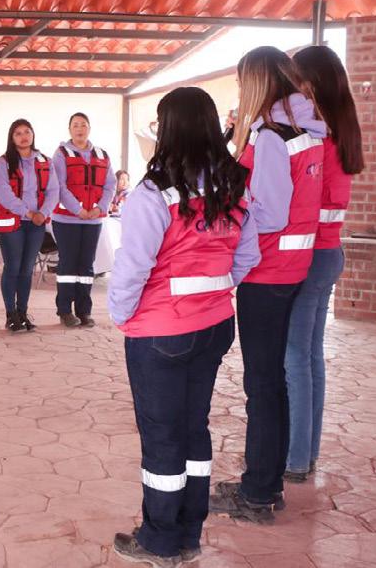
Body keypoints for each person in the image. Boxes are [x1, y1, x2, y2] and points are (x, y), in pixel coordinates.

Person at [108, 87, 259, 567]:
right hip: (214, 325)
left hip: (161, 332)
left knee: (161, 436)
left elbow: (132, 267)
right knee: (194, 428)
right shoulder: (233, 186)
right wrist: (212, 290)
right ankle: (189, 533)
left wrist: (121, 314)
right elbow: (247, 256)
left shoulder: (154, 194)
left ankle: (159, 540)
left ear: (169, 129)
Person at [209, 46, 326, 525]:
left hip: (267, 270)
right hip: (292, 267)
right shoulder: (307, 130)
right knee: (272, 381)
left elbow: (271, 214)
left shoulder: (273, 137)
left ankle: (257, 492)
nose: (241, 91)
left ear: (257, 81)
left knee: (262, 384)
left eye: (242, 81)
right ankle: (266, 482)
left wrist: (231, 205)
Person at [283, 46, 363, 483]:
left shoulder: (317, 136)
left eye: (294, 80)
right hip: (329, 253)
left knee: (295, 357)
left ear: (310, 83)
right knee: (310, 356)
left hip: (309, 254)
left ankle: (295, 458)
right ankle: (305, 453)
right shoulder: (343, 130)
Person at [0, 119, 59, 332]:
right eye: (18, 133)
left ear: (33, 134)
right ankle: (11, 314)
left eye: (27, 132)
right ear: (12, 138)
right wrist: (28, 212)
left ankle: (22, 312)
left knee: (27, 269)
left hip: (36, 222)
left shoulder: (45, 161)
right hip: (13, 221)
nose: (23, 136)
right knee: (13, 267)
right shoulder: (3, 162)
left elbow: (53, 191)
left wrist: (43, 213)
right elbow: (3, 193)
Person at [51, 112, 116, 328]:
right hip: (66, 220)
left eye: (83, 125)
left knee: (87, 266)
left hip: (93, 221)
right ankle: (65, 311)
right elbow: (59, 186)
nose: (80, 129)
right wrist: (77, 209)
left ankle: (84, 310)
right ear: (69, 129)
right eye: (75, 125)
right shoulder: (61, 154)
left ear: (89, 128)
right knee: (68, 264)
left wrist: (100, 208)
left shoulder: (102, 154)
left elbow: (110, 185)